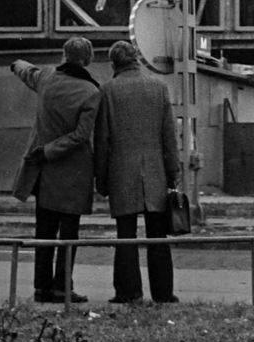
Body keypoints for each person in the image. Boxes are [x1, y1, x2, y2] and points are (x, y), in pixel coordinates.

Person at [10, 36, 100, 303]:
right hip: (74, 174)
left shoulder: (47, 78)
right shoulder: (91, 93)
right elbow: (82, 135)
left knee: (44, 232)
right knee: (69, 234)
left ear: (64, 55)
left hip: (43, 173)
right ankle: (62, 287)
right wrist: (51, 150)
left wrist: (16, 64)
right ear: (88, 59)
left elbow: (28, 72)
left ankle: (42, 288)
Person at [93, 39, 180, 305]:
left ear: (113, 64)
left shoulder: (108, 91)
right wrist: (172, 171)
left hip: (122, 173)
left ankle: (129, 292)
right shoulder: (159, 88)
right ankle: (163, 292)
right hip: (155, 172)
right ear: (137, 59)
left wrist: (102, 178)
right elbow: (169, 137)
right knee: (158, 235)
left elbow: (103, 140)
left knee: (126, 235)